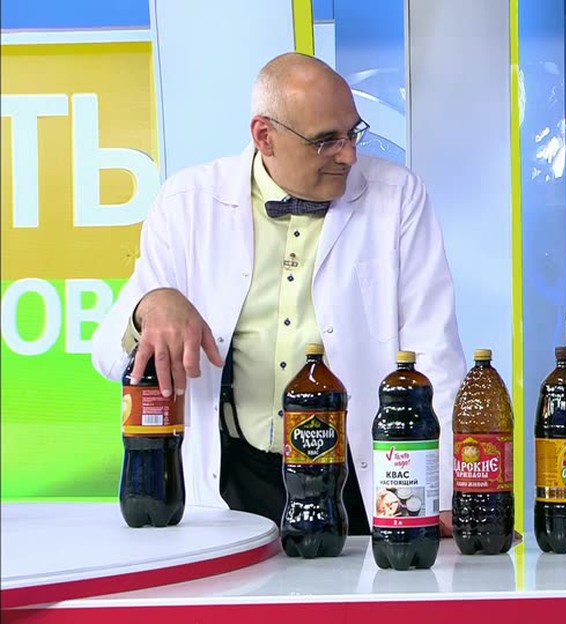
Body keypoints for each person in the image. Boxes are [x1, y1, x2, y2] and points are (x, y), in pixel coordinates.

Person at [90, 52, 466, 536]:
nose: (348, 155)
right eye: (326, 140)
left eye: (353, 133)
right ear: (264, 135)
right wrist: (149, 307)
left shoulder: (398, 196)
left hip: (354, 477)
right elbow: (106, 354)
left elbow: (435, 355)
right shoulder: (188, 203)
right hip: (231, 476)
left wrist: (442, 491)